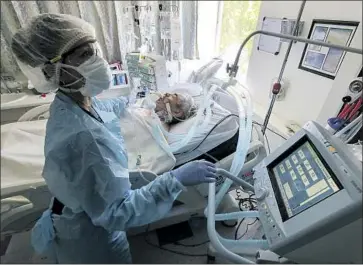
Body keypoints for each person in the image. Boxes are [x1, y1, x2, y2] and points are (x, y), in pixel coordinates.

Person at [11, 13, 217, 263]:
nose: (97, 60)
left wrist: (133, 101)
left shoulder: (74, 102)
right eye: (83, 55)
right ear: (52, 70)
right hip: (92, 244)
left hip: (72, 219)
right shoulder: (84, 138)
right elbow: (118, 212)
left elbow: (106, 111)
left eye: (94, 50)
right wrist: (174, 180)